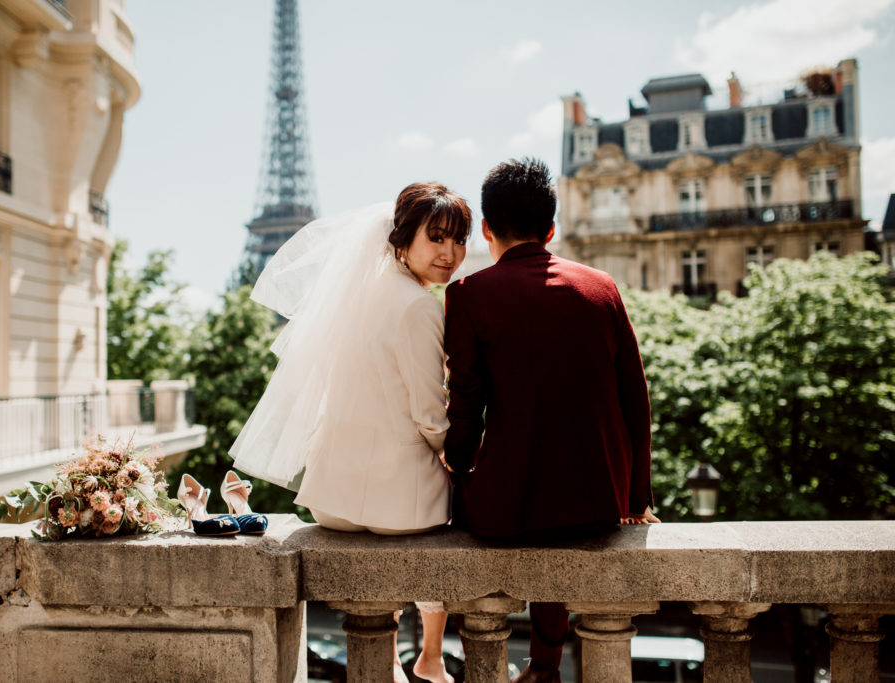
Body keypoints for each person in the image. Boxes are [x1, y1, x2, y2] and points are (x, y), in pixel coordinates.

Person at [230, 182, 471, 683]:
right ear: (402, 237)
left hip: (332, 500)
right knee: (457, 497)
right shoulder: (421, 305)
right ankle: (430, 656)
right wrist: (456, 455)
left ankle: (391, 658)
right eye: (437, 238)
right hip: (397, 502)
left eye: (458, 240)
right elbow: (430, 417)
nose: (450, 253)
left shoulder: (355, 295)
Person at [443, 158, 659, 683]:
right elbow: (635, 397)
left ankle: (527, 663)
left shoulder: (468, 294)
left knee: (494, 492)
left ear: (487, 229)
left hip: (510, 507)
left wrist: (459, 468)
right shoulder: (602, 287)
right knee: (552, 499)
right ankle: (545, 662)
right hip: (598, 501)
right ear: (551, 228)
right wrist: (636, 499)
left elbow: (466, 404)